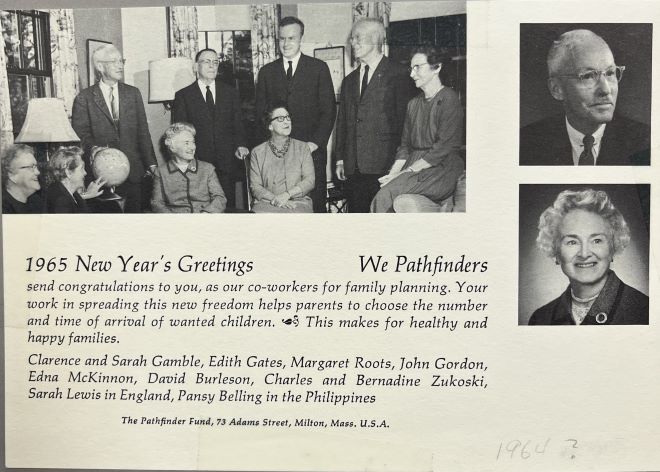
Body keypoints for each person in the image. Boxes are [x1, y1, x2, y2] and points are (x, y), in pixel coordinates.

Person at [520, 29, 650, 166]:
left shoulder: (646, 142)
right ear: (556, 89)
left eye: (610, 73)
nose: (606, 90)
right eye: (588, 76)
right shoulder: (525, 143)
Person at [529, 188, 648, 325]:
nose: (584, 254)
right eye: (572, 242)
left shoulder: (645, 312)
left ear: (613, 247)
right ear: (555, 252)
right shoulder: (541, 319)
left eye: (596, 240)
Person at [255, 16, 336, 213]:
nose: (286, 43)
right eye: (282, 38)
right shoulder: (266, 72)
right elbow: (261, 113)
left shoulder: (318, 68)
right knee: (280, 210)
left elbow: (329, 110)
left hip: (311, 151)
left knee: (314, 209)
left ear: (301, 39)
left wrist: (314, 144)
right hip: (277, 156)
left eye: (291, 38)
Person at [335, 18, 416, 213]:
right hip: (354, 168)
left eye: (357, 37)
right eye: (352, 38)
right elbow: (343, 123)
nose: (352, 42)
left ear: (375, 39)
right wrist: (340, 159)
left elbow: (406, 124)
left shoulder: (399, 75)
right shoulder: (349, 81)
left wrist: (400, 165)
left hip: (386, 166)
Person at [371, 47, 464, 213]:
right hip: (415, 165)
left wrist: (402, 175)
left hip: (441, 168)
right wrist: (392, 174)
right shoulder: (413, 104)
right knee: (384, 191)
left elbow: (442, 149)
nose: (412, 74)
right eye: (411, 68)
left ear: (437, 68)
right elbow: (404, 147)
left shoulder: (449, 99)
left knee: (385, 195)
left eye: (418, 67)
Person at [72, 44, 157, 212]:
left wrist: (152, 164)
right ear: (100, 66)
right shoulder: (85, 98)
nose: (120, 65)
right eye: (114, 61)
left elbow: (143, 133)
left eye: (121, 60)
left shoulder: (133, 93)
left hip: (133, 172)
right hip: (101, 175)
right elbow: (80, 135)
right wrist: (95, 149)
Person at [172, 48, 248, 210]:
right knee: (201, 208)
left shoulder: (230, 93)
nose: (212, 66)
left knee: (227, 206)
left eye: (215, 62)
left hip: (227, 162)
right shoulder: (183, 96)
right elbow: (179, 134)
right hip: (197, 163)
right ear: (195, 67)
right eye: (207, 61)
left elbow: (238, 124)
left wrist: (241, 144)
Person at [249, 104, 314, 213]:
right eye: (280, 119)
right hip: (267, 202)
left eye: (288, 117)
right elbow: (255, 186)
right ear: (270, 126)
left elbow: (310, 181)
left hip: (298, 201)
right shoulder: (257, 152)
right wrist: (276, 199)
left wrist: (286, 195)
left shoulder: (303, 148)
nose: (286, 121)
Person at [151, 123, 226, 213]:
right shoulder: (161, 172)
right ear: (172, 147)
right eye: (186, 143)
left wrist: (207, 213)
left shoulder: (207, 169)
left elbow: (220, 198)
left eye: (193, 142)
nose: (192, 147)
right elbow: (157, 203)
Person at [45, 146, 105, 214]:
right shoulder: (61, 202)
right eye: (82, 168)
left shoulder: (69, 192)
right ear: (68, 172)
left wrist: (88, 194)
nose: (85, 173)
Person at [1, 144, 44, 213]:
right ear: (11, 175)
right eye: (31, 167)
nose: (37, 172)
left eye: (36, 166)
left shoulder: (37, 202)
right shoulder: (4, 208)